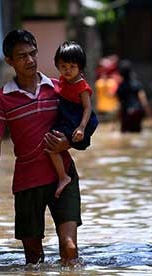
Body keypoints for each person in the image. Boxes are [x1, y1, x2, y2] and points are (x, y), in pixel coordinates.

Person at [0, 30, 81, 265]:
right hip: (27, 183)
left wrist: (68, 143)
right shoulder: (2, 99)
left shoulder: (59, 89)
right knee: (33, 259)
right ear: (9, 61)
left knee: (69, 249)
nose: (30, 60)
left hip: (63, 177)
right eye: (22, 56)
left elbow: (83, 128)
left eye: (33, 53)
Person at [48, 41, 96, 199]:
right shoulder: (62, 80)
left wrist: (81, 127)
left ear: (80, 67)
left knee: (53, 147)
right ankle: (63, 176)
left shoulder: (81, 86)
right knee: (51, 143)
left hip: (75, 119)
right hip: (65, 116)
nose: (67, 70)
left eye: (72, 67)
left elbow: (87, 108)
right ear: (57, 66)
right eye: (63, 66)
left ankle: (63, 177)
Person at [116, 60, 151, 133]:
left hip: (126, 114)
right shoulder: (137, 84)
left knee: (125, 135)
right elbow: (144, 101)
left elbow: (119, 105)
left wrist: (115, 122)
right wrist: (150, 116)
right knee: (137, 134)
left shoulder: (120, 87)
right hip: (137, 113)